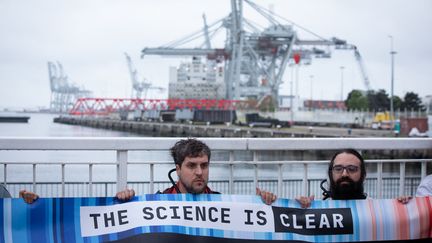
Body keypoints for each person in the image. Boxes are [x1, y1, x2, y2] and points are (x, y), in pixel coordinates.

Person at [116, 138, 277, 205]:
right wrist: (124, 204)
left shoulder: (222, 203)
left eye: (204, 165)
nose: (200, 172)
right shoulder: (160, 202)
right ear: (178, 169)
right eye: (192, 166)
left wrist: (264, 205)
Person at [296, 149, 411, 208]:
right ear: (330, 174)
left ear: (364, 175)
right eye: (338, 168)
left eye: (352, 169)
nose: (345, 174)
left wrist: (406, 206)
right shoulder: (317, 208)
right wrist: (299, 209)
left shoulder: (378, 210)